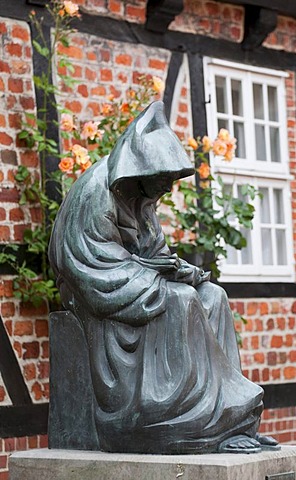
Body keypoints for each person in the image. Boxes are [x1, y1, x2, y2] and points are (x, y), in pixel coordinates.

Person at [49, 101, 278, 454]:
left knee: (212, 296)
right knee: (181, 300)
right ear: (140, 168)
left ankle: (230, 418)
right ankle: (178, 418)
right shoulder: (95, 194)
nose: (168, 189)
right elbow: (92, 267)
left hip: (130, 286)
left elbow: (155, 253)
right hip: (99, 300)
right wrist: (157, 278)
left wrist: (181, 271)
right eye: (163, 179)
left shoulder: (141, 197)